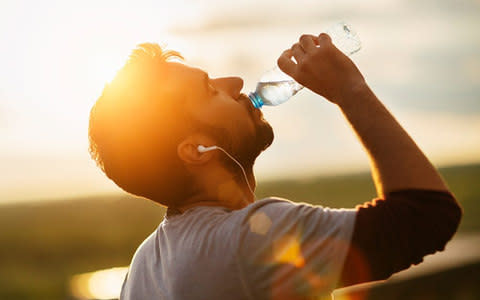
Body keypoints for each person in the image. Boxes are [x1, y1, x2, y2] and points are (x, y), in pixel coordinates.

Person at [88, 34, 463, 300]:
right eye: (209, 90)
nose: (234, 82)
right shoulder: (248, 242)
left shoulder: (143, 266)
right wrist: (350, 89)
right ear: (196, 150)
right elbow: (424, 217)